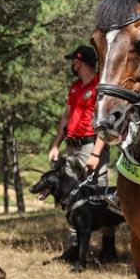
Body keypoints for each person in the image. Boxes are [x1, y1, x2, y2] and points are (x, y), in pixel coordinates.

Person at [48, 45, 108, 185]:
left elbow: (105, 122)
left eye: (73, 60)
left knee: (95, 195)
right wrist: (56, 145)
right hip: (70, 148)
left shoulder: (101, 85)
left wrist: (95, 153)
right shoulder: (75, 87)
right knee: (70, 195)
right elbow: (66, 117)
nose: (72, 64)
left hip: (90, 146)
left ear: (78, 62)